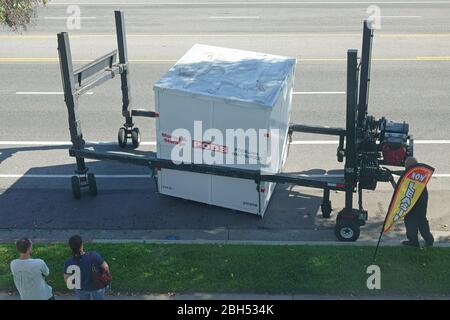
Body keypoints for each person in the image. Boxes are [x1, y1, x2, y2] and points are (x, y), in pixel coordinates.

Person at [401, 157, 434, 248]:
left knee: (410, 220)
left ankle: (413, 241)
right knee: (421, 220)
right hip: (422, 198)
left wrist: (392, 180)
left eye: (406, 166)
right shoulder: (420, 174)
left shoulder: (409, 176)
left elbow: (400, 191)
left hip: (414, 200)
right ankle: (429, 239)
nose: (405, 167)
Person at [63, 235, 110, 300]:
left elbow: (67, 280)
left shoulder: (68, 262)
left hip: (81, 289)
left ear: (70, 247)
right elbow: (106, 267)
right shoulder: (94, 255)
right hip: (97, 286)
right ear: (82, 245)